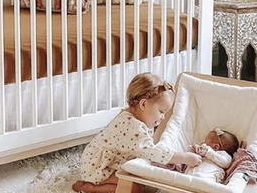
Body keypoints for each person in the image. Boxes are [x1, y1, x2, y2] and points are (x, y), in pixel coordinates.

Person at [72, 73, 202, 193]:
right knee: (134, 188)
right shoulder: (132, 126)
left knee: (138, 181)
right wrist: (184, 158)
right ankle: (90, 187)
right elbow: (153, 153)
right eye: (161, 112)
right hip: (98, 168)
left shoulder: (137, 117)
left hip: (109, 161)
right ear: (144, 104)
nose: (163, 117)